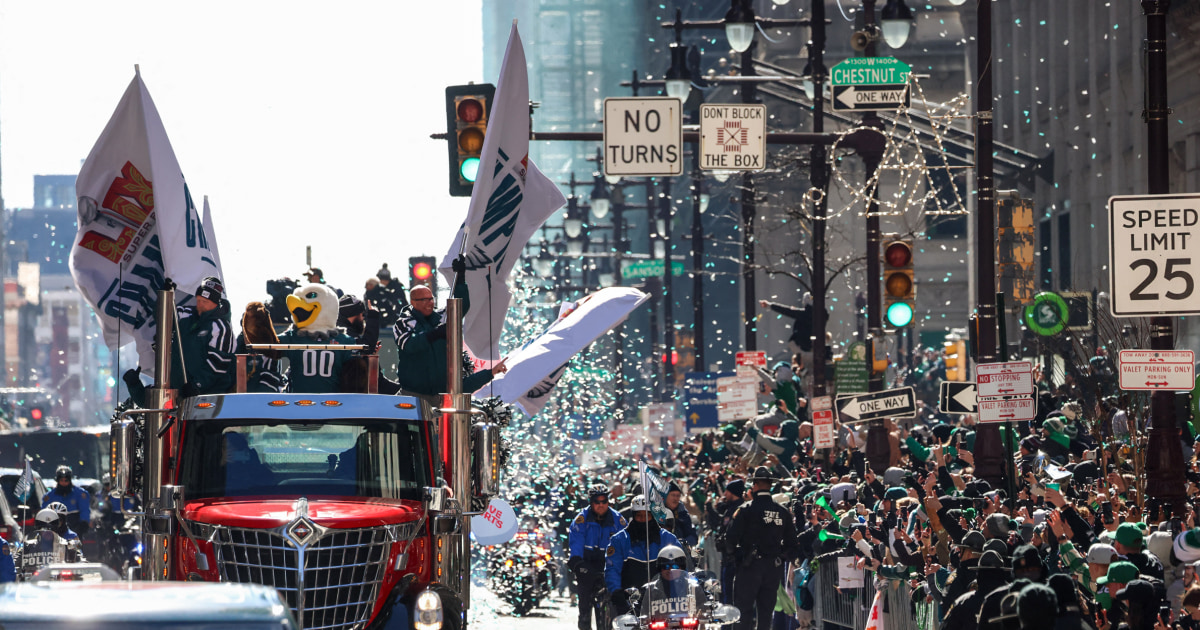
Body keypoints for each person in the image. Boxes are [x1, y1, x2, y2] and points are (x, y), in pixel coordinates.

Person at [393, 259, 506, 401]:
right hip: (412, 395)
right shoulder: (403, 322)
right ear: (413, 302)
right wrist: (434, 335)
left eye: (431, 298)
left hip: (441, 396)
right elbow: (409, 345)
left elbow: (461, 306)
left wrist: (460, 279)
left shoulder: (442, 316)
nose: (430, 302)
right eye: (424, 300)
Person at [726, 466, 798, 630]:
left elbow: (730, 539)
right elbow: (792, 545)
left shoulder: (745, 510)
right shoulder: (783, 512)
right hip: (773, 568)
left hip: (749, 567)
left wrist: (737, 556)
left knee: (743, 613)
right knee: (766, 615)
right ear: (770, 485)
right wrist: (778, 557)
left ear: (755, 484)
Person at [605, 495, 681, 615]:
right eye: (639, 516)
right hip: (630, 600)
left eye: (647, 515)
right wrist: (617, 592)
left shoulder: (668, 538)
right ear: (633, 516)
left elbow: (682, 567)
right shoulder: (619, 540)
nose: (643, 519)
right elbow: (612, 569)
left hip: (665, 599)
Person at [568, 483, 627, 630]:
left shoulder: (618, 520)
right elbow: (576, 544)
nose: (601, 505)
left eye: (604, 501)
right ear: (591, 502)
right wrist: (577, 563)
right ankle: (584, 623)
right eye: (597, 502)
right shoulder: (581, 519)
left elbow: (625, 545)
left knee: (619, 604)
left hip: (609, 564)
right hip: (587, 563)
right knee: (585, 606)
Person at [638, 545, 706, 619]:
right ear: (660, 568)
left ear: (682, 567)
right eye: (666, 566)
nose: (670, 570)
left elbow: (705, 608)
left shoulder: (693, 587)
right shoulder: (649, 590)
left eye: (675, 567)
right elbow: (637, 613)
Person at [42, 465, 91, 534]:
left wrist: (84, 523)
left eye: (66, 480)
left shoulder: (80, 494)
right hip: (55, 526)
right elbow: (45, 511)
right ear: (57, 481)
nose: (64, 483)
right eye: (61, 480)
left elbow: (84, 510)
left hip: (75, 525)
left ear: (70, 480)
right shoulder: (50, 496)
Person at [664, 481, 697, 549]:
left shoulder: (683, 514)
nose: (675, 498)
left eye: (678, 495)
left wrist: (682, 543)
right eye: (673, 495)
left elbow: (692, 536)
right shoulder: (658, 513)